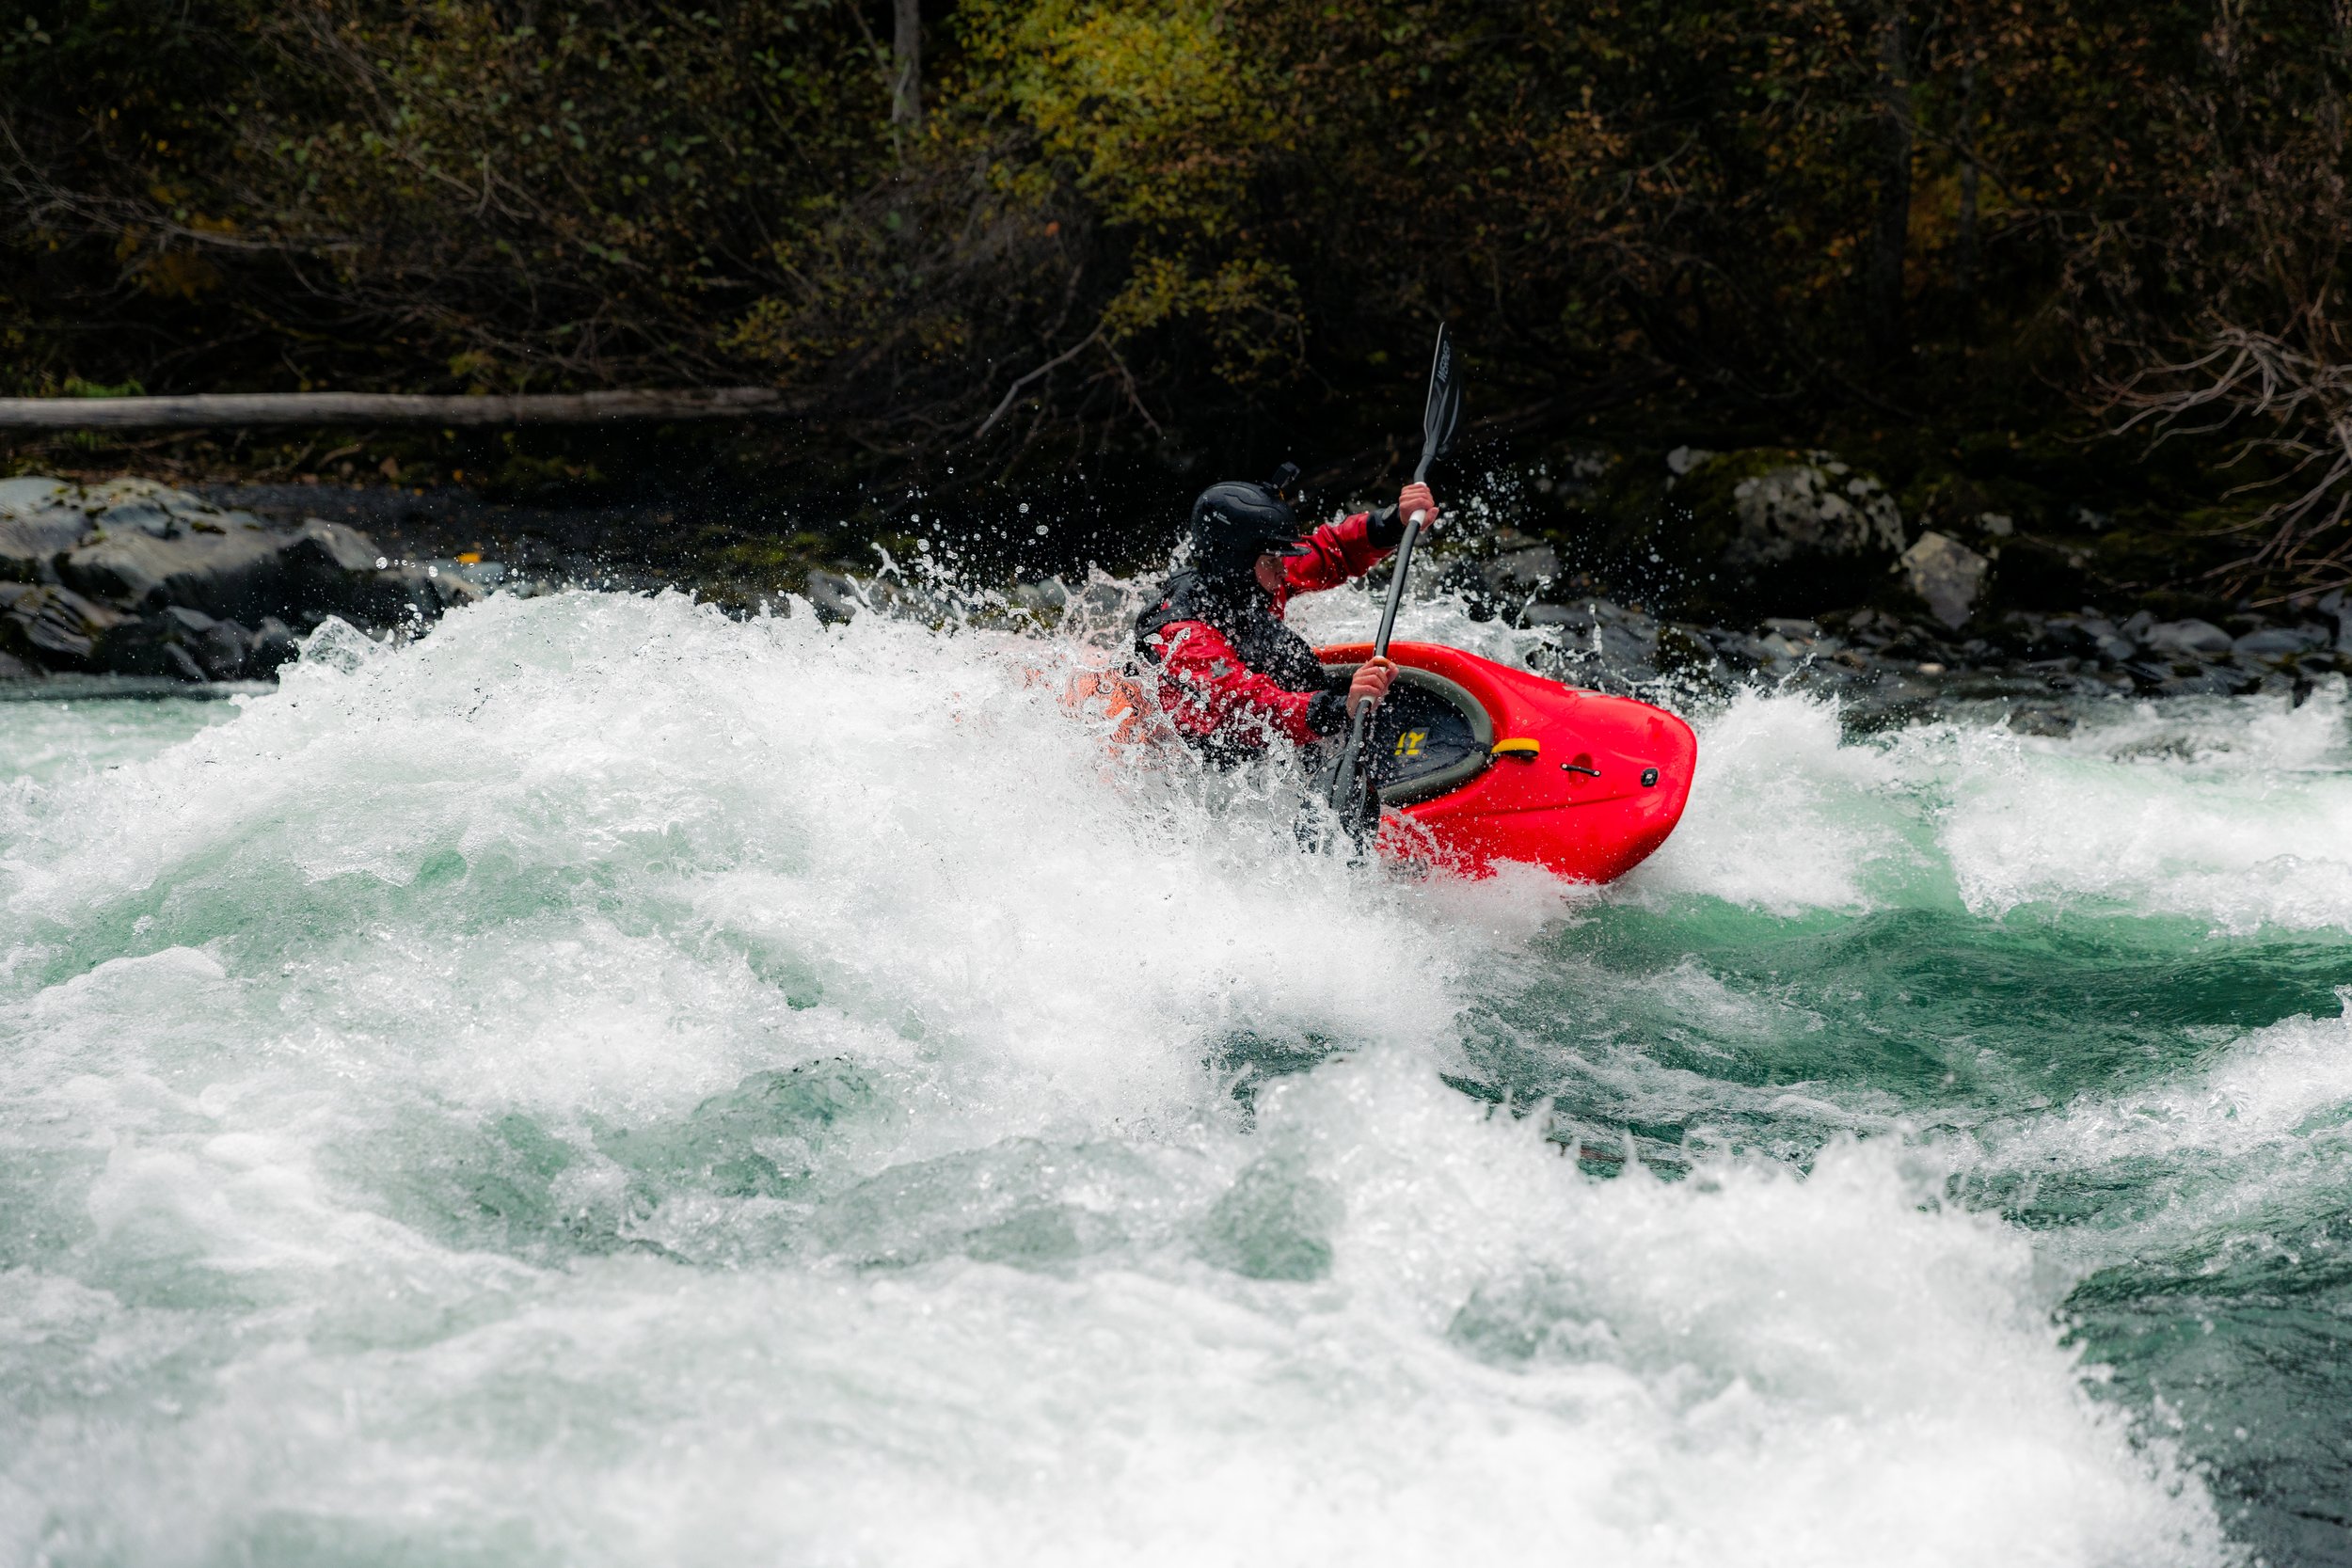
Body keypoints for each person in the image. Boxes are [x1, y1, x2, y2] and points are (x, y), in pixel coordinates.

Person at [1134, 465, 1439, 765]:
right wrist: (1339, 708)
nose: (1284, 570)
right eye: (1272, 560)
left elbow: (1332, 551)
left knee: (1296, 665)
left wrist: (1392, 522)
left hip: (1266, 717)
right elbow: (1248, 710)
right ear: (1236, 564)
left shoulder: (1252, 580)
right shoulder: (1185, 634)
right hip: (1204, 753)